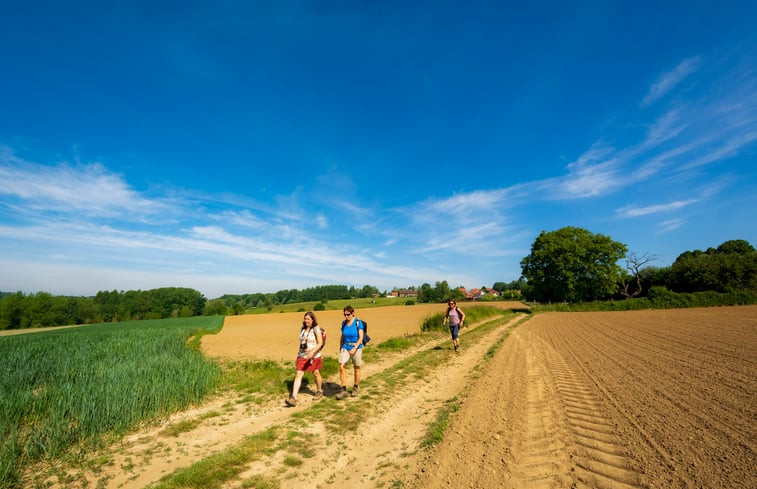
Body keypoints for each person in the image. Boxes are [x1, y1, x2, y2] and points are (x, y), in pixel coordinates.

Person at [286, 311, 324, 406]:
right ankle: (293, 397)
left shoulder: (316, 329)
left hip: (314, 355)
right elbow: (302, 342)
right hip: (302, 355)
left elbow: (320, 343)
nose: (306, 320)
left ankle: (319, 391)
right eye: (305, 318)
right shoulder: (303, 328)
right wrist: (298, 356)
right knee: (298, 374)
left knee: (315, 373)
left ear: (312, 320)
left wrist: (313, 352)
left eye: (308, 319)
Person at [336, 305, 364, 400]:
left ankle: (355, 387)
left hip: (356, 347)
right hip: (345, 346)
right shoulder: (344, 323)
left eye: (348, 314)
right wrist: (340, 347)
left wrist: (355, 348)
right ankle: (344, 390)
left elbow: (361, 337)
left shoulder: (358, 323)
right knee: (341, 366)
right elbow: (342, 336)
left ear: (353, 313)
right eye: (345, 314)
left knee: (356, 367)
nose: (346, 316)